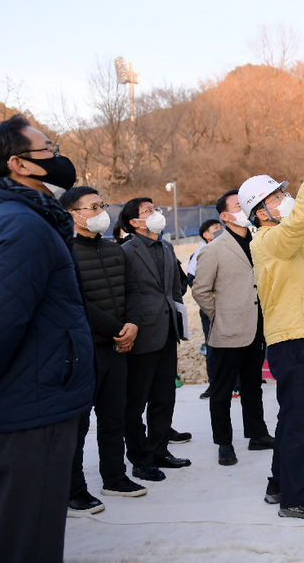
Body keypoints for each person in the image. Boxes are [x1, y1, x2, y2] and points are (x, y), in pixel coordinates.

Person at [0, 115, 95, 562]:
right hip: (29, 412)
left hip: (28, 402)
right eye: (47, 148)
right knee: (28, 545)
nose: (58, 157)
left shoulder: (25, 218)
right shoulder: (20, 226)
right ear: (19, 164)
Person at [240, 135, 304, 519]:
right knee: (300, 421)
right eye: (277, 197)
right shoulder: (271, 240)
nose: (284, 201)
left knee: (289, 416)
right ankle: (296, 500)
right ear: (262, 213)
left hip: (298, 335)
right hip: (295, 339)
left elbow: (297, 283)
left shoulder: (276, 241)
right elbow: (300, 222)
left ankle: (281, 482)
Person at [61, 186, 147, 514]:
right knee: (79, 423)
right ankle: (73, 488)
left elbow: (133, 290)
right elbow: (75, 303)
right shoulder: (65, 252)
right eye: (92, 207)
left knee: (114, 416)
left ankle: (114, 476)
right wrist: (116, 329)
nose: (100, 211)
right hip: (85, 349)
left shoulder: (115, 250)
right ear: (73, 215)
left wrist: (133, 325)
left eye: (101, 205)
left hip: (118, 347)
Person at [191, 190, 274, 466]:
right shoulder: (213, 249)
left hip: (255, 327)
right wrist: (220, 315)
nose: (245, 208)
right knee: (222, 390)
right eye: (238, 205)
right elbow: (201, 291)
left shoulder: (259, 241)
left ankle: (257, 434)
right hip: (226, 332)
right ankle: (224, 443)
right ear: (225, 216)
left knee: (253, 386)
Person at [116, 197, 191, 483]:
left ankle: (159, 450)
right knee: (136, 401)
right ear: (134, 222)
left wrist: (178, 318)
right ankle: (140, 458)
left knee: (164, 397)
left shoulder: (167, 246)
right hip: (141, 334)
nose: (155, 213)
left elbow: (174, 290)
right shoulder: (125, 251)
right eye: (148, 211)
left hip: (168, 331)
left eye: (155, 209)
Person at [188, 218, 222, 399]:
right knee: (213, 347)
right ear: (207, 235)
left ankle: (238, 383)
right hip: (211, 310)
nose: (220, 230)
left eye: (220, 227)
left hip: (234, 308)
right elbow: (193, 283)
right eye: (216, 229)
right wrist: (212, 307)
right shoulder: (198, 255)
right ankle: (214, 384)